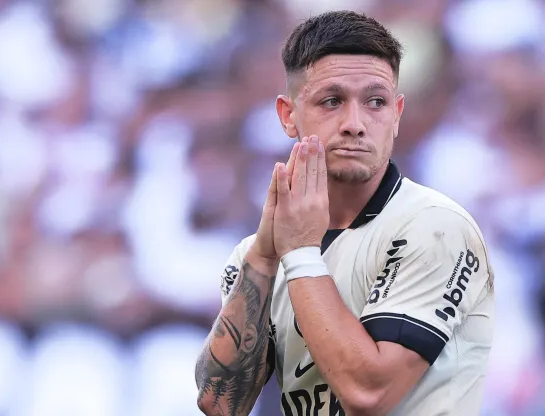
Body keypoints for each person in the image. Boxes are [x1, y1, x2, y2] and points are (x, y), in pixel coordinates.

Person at [195, 10, 494, 416]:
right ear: (288, 115)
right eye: (332, 101)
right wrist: (264, 258)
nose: (355, 124)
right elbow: (220, 403)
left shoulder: (436, 227)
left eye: (376, 102)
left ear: (397, 115)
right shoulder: (258, 256)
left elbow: (370, 394)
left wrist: (298, 254)